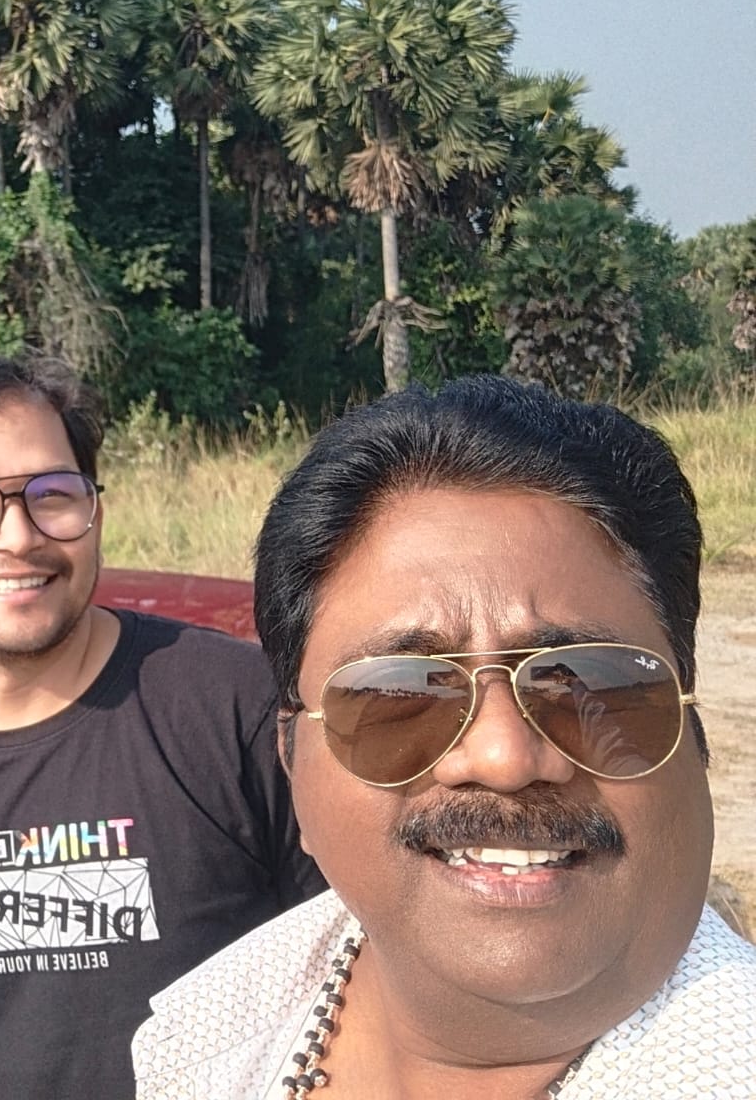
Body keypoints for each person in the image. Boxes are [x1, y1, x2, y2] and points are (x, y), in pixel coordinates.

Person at [133, 375, 756, 1099]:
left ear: (693, 734)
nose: (502, 756)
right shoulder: (197, 1042)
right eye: (400, 693)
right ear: (292, 760)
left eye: (584, 681)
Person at [0, 351, 324, 1100]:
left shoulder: (239, 708)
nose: (16, 537)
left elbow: (364, 969)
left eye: (51, 494)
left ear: (94, 513)